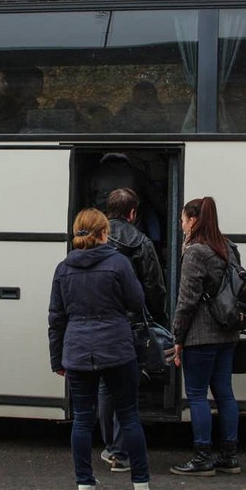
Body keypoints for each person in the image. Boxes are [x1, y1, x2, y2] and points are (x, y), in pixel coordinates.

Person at [48, 208, 154, 490]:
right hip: (117, 348)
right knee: (129, 417)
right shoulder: (119, 263)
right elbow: (136, 302)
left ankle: (85, 486)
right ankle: (141, 485)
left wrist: (57, 359)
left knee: (82, 420)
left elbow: (56, 318)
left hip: (78, 351)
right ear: (104, 233)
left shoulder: (63, 268)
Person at [169, 197, 242, 477]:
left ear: (194, 220)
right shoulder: (228, 247)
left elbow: (187, 300)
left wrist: (178, 337)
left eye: (183, 220)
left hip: (201, 335)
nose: (181, 225)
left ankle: (202, 457)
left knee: (197, 395)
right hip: (227, 332)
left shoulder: (196, 252)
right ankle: (229, 456)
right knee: (224, 393)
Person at [98, 188, 168, 475]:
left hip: (101, 322)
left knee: (105, 385)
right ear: (132, 213)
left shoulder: (94, 239)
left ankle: (110, 445)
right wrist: (158, 318)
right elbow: (154, 287)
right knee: (127, 387)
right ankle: (120, 452)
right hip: (131, 324)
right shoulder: (141, 242)